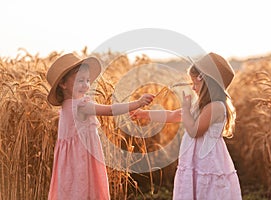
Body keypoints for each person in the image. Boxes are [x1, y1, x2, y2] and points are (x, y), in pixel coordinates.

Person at [132, 52, 242, 199]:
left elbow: (194, 131)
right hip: (194, 160)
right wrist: (144, 114)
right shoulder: (199, 106)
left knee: (207, 190)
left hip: (207, 162)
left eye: (195, 84)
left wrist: (185, 109)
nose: (193, 88)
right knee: (193, 189)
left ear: (208, 84)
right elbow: (172, 115)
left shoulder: (215, 107)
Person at [46, 53, 154, 200]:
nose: (85, 85)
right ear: (63, 84)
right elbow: (110, 110)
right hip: (82, 160)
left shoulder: (65, 106)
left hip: (69, 164)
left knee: (71, 190)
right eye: (80, 81)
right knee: (85, 189)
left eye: (87, 80)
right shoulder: (81, 106)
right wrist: (137, 103)